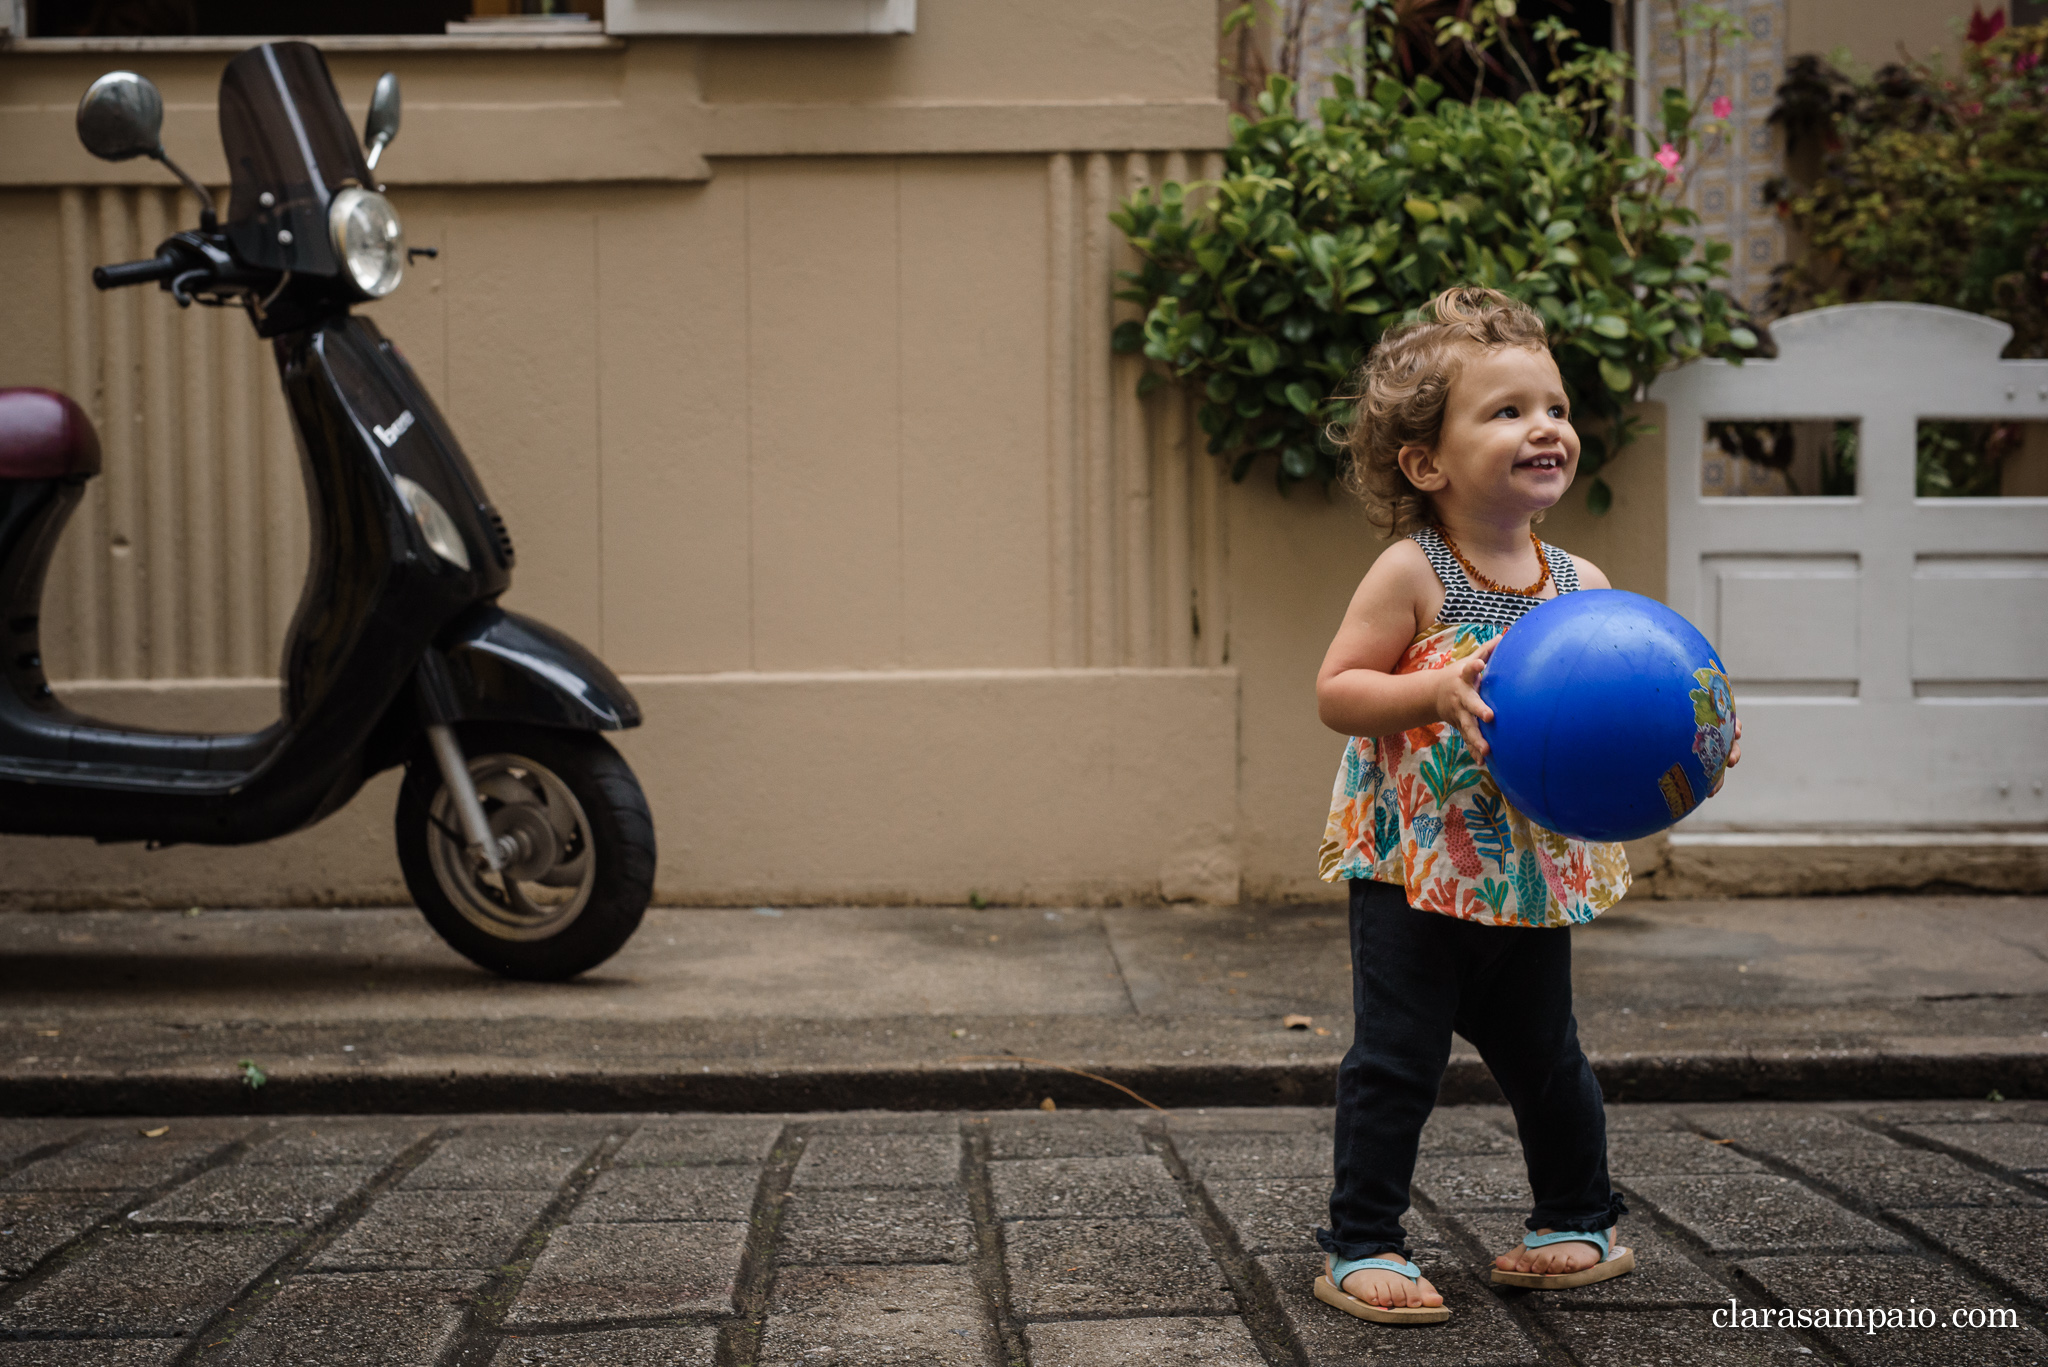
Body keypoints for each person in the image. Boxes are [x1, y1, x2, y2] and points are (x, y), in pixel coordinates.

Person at [1309, 286, 1737, 1325]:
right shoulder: (1414, 571)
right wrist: (1431, 687)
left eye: (1551, 405)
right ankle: (1362, 1239)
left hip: (1527, 871)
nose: (1542, 425)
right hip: (1414, 869)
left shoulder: (1578, 579)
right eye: (1503, 411)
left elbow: (1631, 696)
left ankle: (1574, 1219)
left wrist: (1697, 738)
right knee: (1394, 1061)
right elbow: (1336, 691)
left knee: (1547, 1057)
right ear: (1426, 463)